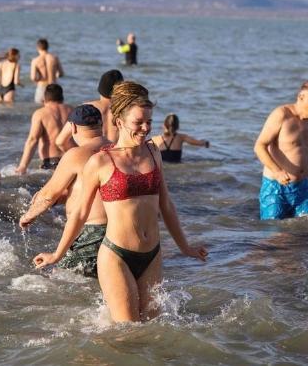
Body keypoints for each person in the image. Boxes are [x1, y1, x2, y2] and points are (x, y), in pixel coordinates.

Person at [33, 81, 207, 322]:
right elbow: (80, 214)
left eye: (149, 122)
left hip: (152, 255)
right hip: (116, 256)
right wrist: (57, 254)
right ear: (119, 122)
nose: (145, 128)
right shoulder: (101, 162)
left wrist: (185, 247)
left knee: (153, 328)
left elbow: (166, 205)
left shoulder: (154, 152)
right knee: (128, 333)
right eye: (139, 122)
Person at [20, 105, 108, 277]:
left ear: (73, 127)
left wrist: (27, 216)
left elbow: (47, 196)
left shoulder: (76, 154)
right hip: (120, 232)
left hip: (91, 233)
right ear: (101, 125)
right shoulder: (117, 149)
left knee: (52, 277)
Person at [253, 80, 308, 219]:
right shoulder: (281, 115)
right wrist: (277, 171)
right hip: (276, 187)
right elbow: (259, 146)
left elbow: (305, 155)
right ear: (301, 97)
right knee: (275, 235)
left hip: (302, 188)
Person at [55, 69, 123, 151]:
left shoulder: (85, 110)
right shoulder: (127, 111)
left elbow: (60, 141)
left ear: (100, 88)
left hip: (90, 157)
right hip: (116, 159)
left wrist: (78, 155)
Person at [16, 84, 72, 174]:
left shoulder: (40, 113)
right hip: (70, 159)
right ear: (62, 98)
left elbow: (32, 140)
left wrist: (23, 166)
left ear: (44, 99)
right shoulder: (73, 110)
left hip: (51, 162)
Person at [31, 38, 64, 104]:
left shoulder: (35, 60)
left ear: (38, 47)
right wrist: (55, 75)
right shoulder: (54, 58)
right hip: (53, 87)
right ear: (47, 47)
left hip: (42, 86)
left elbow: (33, 77)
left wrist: (38, 80)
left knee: (41, 109)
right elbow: (61, 73)